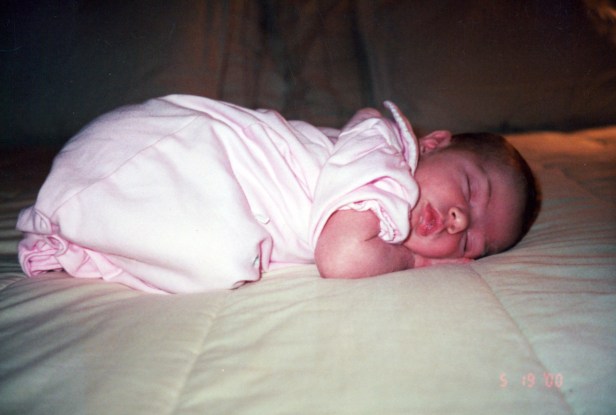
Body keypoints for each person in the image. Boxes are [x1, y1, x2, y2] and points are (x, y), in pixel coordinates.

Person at [16, 95, 538, 293]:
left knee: (219, 256)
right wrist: (418, 261)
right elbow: (341, 258)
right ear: (432, 143)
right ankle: (79, 213)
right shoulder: (385, 155)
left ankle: (82, 231)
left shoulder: (384, 205)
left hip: (168, 178)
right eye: (470, 189)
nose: (458, 219)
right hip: (179, 147)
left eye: (470, 243)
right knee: (223, 252)